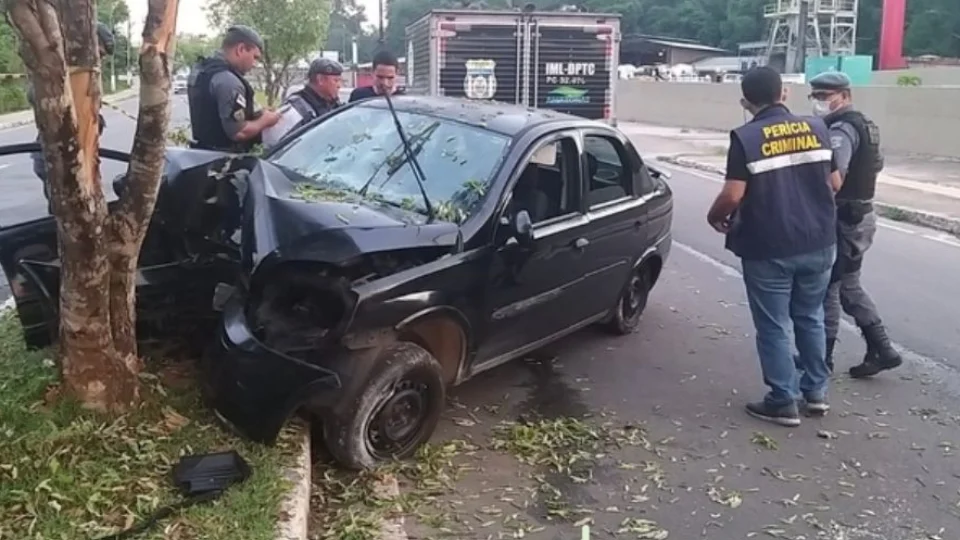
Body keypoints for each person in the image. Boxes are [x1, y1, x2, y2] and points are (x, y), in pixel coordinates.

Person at [706, 66, 841, 427]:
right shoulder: (818, 128)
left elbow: (733, 194)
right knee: (810, 316)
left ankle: (783, 400)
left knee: (774, 325)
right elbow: (836, 183)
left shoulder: (746, 137)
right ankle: (816, 393)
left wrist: (714, 217)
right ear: (784, 94)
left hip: (769, 246)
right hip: (819, 241)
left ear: (745, 102)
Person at [807, 71, 903, 378]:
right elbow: (876, 165)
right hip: (860, 215)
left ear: (844, 96)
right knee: (847, 285)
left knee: (830, 288)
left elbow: (835, 178)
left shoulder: (841, 130)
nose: (820, 102)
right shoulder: (867, 125)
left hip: (845, 218)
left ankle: (823, 357)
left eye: (825, 96)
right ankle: (883, 349)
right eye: (816, 96)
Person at [31, 21, 116, 202]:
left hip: (81, 154)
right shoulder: (56, 63)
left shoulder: (89, 74)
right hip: (54, 153)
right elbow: (34, 94)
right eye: (98, 54)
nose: (100, 61)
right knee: (66, 208)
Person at [187, 24, 280, 152]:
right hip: (222, 162)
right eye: (255, 57)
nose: (254, 64)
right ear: (241, 49)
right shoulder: (228, 81)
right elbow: (239, 133)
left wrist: (256, 113)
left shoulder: (201, 70)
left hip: (201, 154)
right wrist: (266, 120)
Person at [262, 57, 344, 148]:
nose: (339, 86)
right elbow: (272, 144)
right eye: (336, 80)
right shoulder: (296, 109)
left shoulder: (334, 105)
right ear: (320, 80)